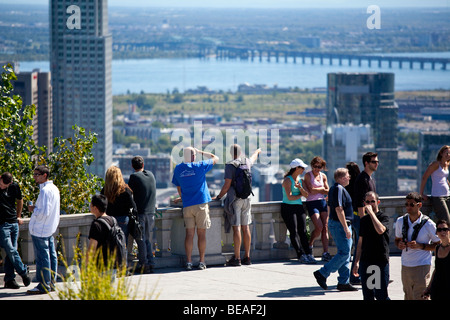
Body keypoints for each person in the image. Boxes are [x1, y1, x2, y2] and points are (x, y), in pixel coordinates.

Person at [172, 146, 218, 270]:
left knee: (189, 234)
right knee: (201, 234)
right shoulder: (199, 166)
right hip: (201, 204)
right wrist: (201, 152)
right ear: (193, 156)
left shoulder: (178, 169)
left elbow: (179, 187)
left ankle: (189, 262)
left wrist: (182, 198)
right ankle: (202, 261)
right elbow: (215, 158)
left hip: (187, 205)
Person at [215, 144, 261, 266]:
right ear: (240, 153)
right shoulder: (247, 162)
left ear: (231, 153)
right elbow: (253, 157)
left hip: (236, 199)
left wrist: (218, 197)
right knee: (246, 228)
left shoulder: (230, 165)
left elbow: (226, 185)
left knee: (237, 228)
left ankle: (237, 258)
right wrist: (258, 151)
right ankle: (247, 256)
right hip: (247, 197)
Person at [313, 168, 357, 292]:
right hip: (340, 225)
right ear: (342, 178)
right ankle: (322, 273)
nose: (349, 178)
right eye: (348, 176)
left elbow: (330, 206)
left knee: (345, 253)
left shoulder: (335, 188)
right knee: (344, 253)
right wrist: (345, 227)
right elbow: (338, 208)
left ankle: (343, 282)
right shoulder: (338, 189)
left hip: (338, 224)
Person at [394, 192, 440, 300]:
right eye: (406, 204)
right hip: (405, 265)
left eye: (411, 204)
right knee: (408, 296)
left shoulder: (429, 224)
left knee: (421, 296)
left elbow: (439, 245)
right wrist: (399, 244)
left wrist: (421, 246)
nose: (408, 207)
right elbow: (396, 239)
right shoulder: (401, 221)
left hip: (422, 265)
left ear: (419, 205)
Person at [26, 165, 60, 295]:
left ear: (44, 175)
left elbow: (44, 212)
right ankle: (51, 283)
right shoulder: (55, 189)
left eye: (36, 174)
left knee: (43, 258)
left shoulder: (45, 191)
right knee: (51, 256)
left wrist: (32, 209)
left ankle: (43, 285)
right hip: (49, 228)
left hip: (41, 229)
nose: (34, 177)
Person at [352, 191, 390, 300]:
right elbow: (360, 242)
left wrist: (372, 214)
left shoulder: (384, 217)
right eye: (367, 202)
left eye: (372, 201)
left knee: (381, 294)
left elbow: (380, 230)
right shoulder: (364, 220)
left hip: (380, 260)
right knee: (368, 295)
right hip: (367, 260)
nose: (370, 204)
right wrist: (356, 262)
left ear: (378, 202)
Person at [350, 151, 378, 285]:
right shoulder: (362, 179)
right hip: (362, 218)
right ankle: (355, 276)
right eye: (374, 162)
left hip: (368, 218)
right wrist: (364, 222)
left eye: (377, 161)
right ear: (366, 163)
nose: (377, 164)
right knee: (360, 247)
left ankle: (360, 275)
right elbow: (360, 203)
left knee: (364, 247)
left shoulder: (370, 178)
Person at [280, 158, 315, 264]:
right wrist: (300, 195)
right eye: (302, 168)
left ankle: (308, 253)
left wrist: (300, 188)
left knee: (303, 231)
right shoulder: (287, 180)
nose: (304, 169)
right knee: (293, 231)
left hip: (299, 207)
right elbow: (290, 197)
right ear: (296, 168)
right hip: (288, 207)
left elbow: (307, 194)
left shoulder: (300, 180)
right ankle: (300, 254)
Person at [0, 172, 31, 289]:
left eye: (6, 185)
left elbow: (20, 200)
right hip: (2, 225)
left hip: (14, 222)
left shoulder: (14, 186)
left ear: (11, 183)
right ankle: (23, 272)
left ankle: (9, 279)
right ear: (0, 178)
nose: (3, 187)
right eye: (2, 184)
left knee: (11, 252)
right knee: (11, 249)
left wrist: (18, 215)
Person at [128, 156, 157, 274]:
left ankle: (144, 264)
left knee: (141, 240)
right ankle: (151, 263)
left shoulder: (134, 177)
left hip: (140, 213)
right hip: (152, 212)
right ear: (143, 165)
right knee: (148, 240)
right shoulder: (151, 175)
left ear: (132, 166)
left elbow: (129, 193)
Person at [304, 156, 330, 262]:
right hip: (312, 203)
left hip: (322, 202)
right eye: (315, 166)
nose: (317, 169)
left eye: (319, 167)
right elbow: (311, 190)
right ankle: (310, 244)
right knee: (319, 227)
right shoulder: (307, 175)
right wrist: (322, 190)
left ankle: (325, 252)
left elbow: (327, 190)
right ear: (312, 166)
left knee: (325, 228)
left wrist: (319, 190)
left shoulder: (323, 176)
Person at [101, 166, 137, 244]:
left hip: (108, 221)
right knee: (122, 245)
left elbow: (101, 207)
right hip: (122, 220)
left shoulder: (104, 191)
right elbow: (133, 207)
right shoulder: (126, 190)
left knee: (109, 245)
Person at [419, 145, 450, 222]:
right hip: (438, 196)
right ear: (441, 153)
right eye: (446, 153)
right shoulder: (435, 164)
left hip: (447, 195)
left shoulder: (447, 164)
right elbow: (424, 177)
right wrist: (421, 193)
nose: (448, 155)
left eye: (449, 154)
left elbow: (444, 179)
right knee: (446, 220)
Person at [423, 219, 450, 300]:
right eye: (439, 230)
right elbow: (436, 270)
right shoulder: (437, 248)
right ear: (436, 233)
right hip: (437, 288)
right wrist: (428, 288)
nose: (442, 232)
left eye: (445, 229)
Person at [87, 194, 116, 266]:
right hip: (113, 264)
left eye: (91, 205)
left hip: (102, 265)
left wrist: (85, 267)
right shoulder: (113, 220)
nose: (90, 207)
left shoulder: (96, 225)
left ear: (95, 208)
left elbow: (92, 249)